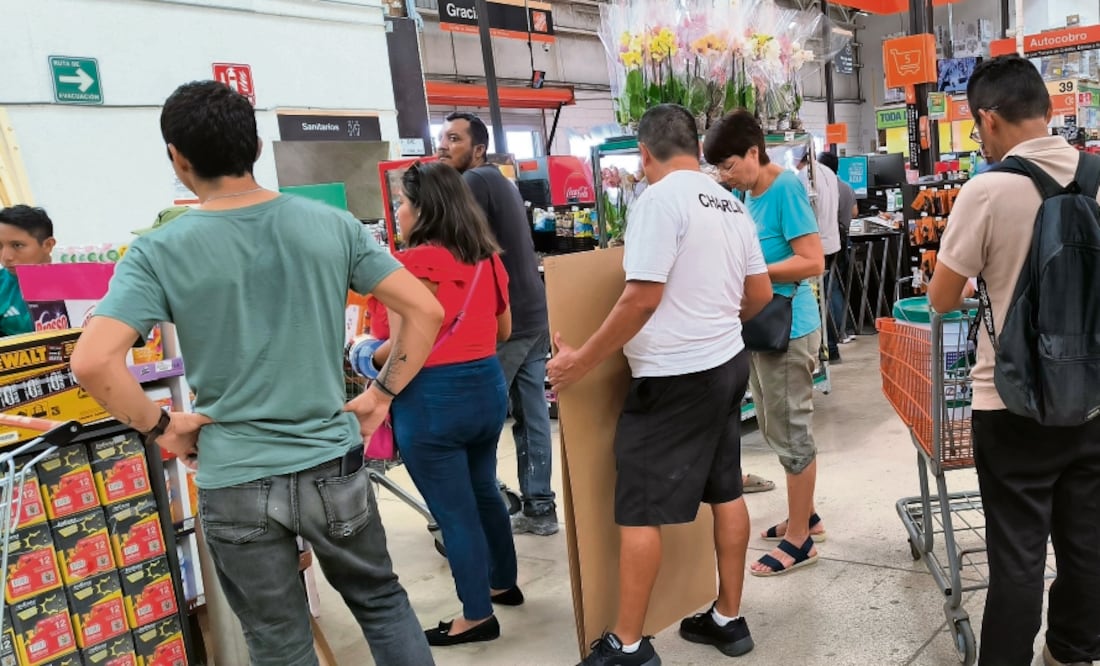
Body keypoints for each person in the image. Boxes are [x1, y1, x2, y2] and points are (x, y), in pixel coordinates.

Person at [70, 80, 442, 666]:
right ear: (257, 149)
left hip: (235, 476)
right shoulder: (333, 226)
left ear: (178, 158)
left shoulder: (158, 251)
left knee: (277, 639)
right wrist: (381, 394)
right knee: (381, 603)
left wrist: (162, 426)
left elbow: (92, 361)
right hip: (330, 463)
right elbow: (425, 309)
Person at [547, 104, 773, 666]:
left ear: (644, 154)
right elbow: (761, 295)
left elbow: (641, 297)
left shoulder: (657, 201)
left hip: (673, 379)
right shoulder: (730, 204)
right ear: (696, 149)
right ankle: (728, 618)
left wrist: (579, 362)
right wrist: (715, 321)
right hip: (727, 366)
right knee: (725, 490)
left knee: (641, 510)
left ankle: (626, 644)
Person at [929, 55, 1100, 666]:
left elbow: (942, 298)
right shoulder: (1098, 177)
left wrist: (987, 285)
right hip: (1092, 399)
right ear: (1049, 111)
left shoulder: (988, 189)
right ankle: (1073, 650)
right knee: (1087, 543)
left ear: (988, 119)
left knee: (1019, 557)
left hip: (1009, 402)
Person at [365, 161, 521, 646]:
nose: (399, 211)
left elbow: (401, 342)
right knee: (484, 490)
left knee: (453, 513)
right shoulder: (488, 258)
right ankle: (503, 583)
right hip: (486, 388)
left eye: (404, 203)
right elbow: (503, 331)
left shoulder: (411, 265)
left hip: (433, 400)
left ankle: (476, 615)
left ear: (423, 209)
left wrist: (365, 355)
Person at [704, 109, 827, 577]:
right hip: (760, 326)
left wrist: (754, 271)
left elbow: (812, 260)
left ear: (754, 152)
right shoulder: (746, 191)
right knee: (776, 426)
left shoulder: (786, 188)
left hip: (789, 329)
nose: (724, 174)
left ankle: (800, 541)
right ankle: (806, 517)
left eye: (730, 164)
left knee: (791, 430)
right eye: (718, 167)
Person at [437, 112, 559, 536]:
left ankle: (482, 506)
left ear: (477, 149)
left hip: (506, 320)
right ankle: (540, 508)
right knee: (532, 413)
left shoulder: (472, 183)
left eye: (453, 139)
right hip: (534, 313)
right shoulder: (500, 182)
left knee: (480, 416)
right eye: (441, 138)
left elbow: (453, 245)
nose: (443, 146)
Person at [797, 150, 843, 362]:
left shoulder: (805, 175)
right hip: (832, 241)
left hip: (816, 245)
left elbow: (803, 210)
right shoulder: (829, 173)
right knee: (830, 292)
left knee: (818, 298)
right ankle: (835, 344)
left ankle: (829, 347)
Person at [817, 151, 859, 350]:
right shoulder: (847, 187)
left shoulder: (826, 186)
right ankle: (846, 328)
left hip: (829, 242)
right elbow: (855, 212)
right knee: (837, 286)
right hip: (844, 241)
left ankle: (838, 331)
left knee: (829, 287)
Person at [0, 205, 56, 336]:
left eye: (17, 245)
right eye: (0, 246)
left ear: (48, 245)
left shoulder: (79, 281)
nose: (6, 257)